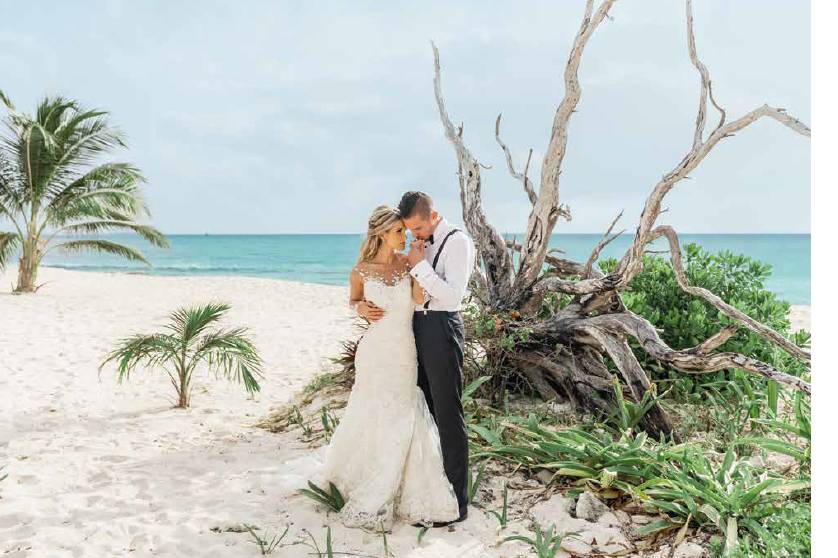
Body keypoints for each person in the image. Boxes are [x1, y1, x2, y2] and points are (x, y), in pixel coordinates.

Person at [318, 205, 460, 532]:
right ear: (381, 233)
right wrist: (359, 308)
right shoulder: (360, 270)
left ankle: (397, 482)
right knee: (369, 409)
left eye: (405, 231)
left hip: (403, 349)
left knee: (401, 409)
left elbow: (420, 299)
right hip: (373, 352)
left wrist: (419, 260)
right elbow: (353, 301)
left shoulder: (408, 265)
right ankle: (362, 476)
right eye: (398, 231)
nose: (404, 236)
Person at [399, 191, 475, 526]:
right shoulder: (420, 243)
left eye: (417, 228)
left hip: (443, 327)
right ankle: (431, 489)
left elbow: (453, 295)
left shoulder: (458, 242)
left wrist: (419, 268)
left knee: (447, 411)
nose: (414, 235)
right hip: (417, 327)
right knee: (423, 408)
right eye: (409, 230)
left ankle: (457, 502)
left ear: (433, 216)